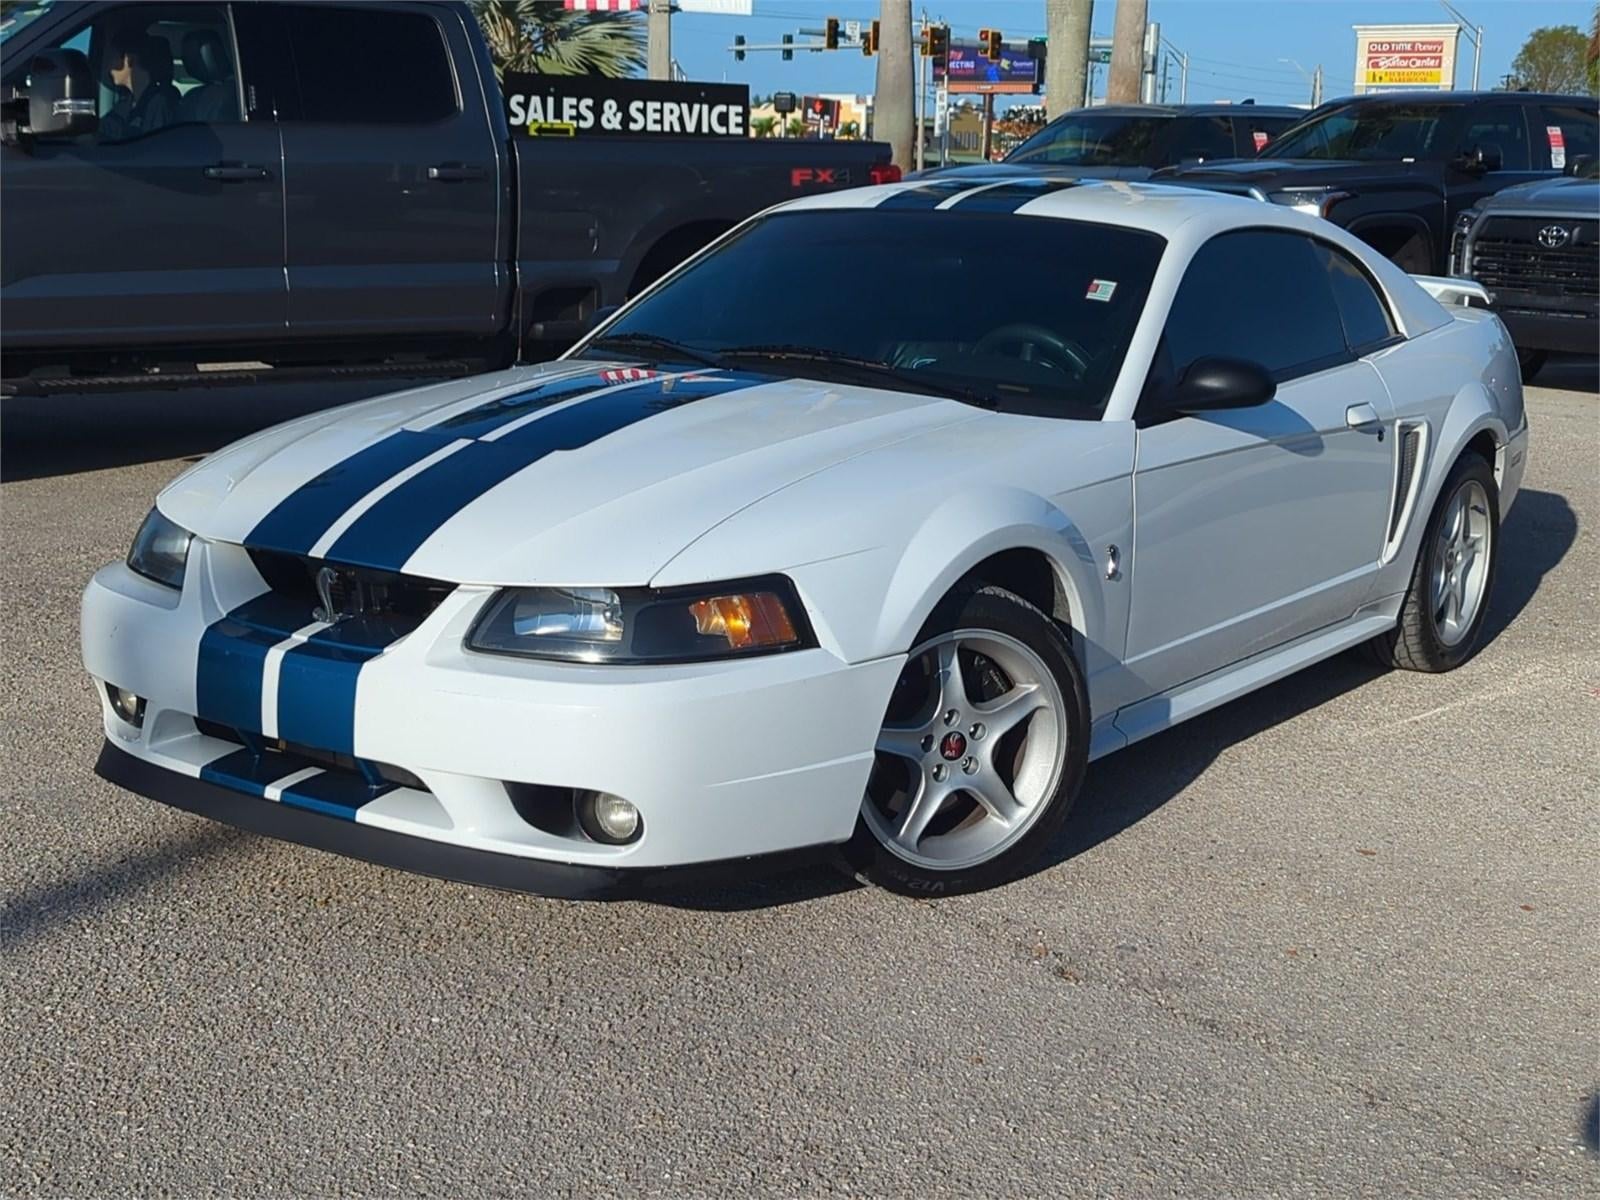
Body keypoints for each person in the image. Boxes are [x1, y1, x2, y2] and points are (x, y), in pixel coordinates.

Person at [99, 26, 178, 141]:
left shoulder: (159, 104)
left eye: (112, 58)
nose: (108, 66)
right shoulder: (125, 105)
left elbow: (155, 150)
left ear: (129, 60)